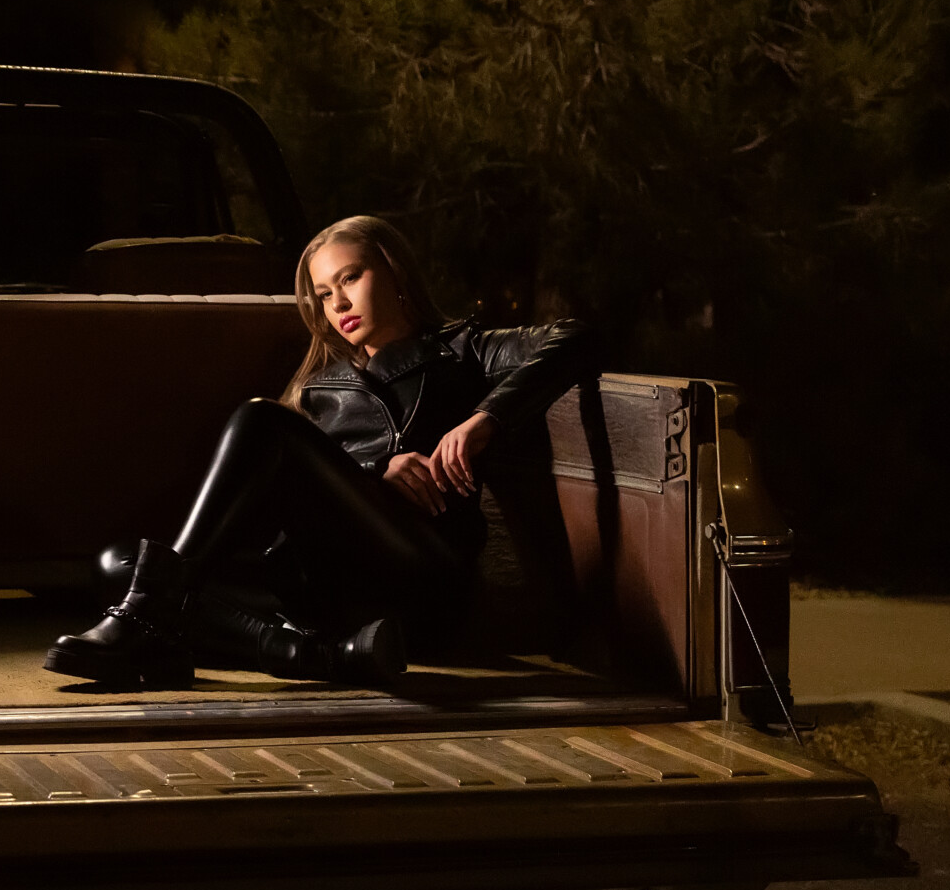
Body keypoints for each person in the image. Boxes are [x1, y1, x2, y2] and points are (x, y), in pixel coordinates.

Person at [45, 214, 597, 689]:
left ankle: (149, 623)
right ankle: (315, 656)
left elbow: (578, 335)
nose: (339, 304)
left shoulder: (463, 351)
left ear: (395, 269)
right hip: (321, 594)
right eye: (325, 294)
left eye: (350, 278)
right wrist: (372, 473)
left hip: (415, 576)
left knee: (261, 419)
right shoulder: (319, 386)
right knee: (118, 562)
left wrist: (483, 422)